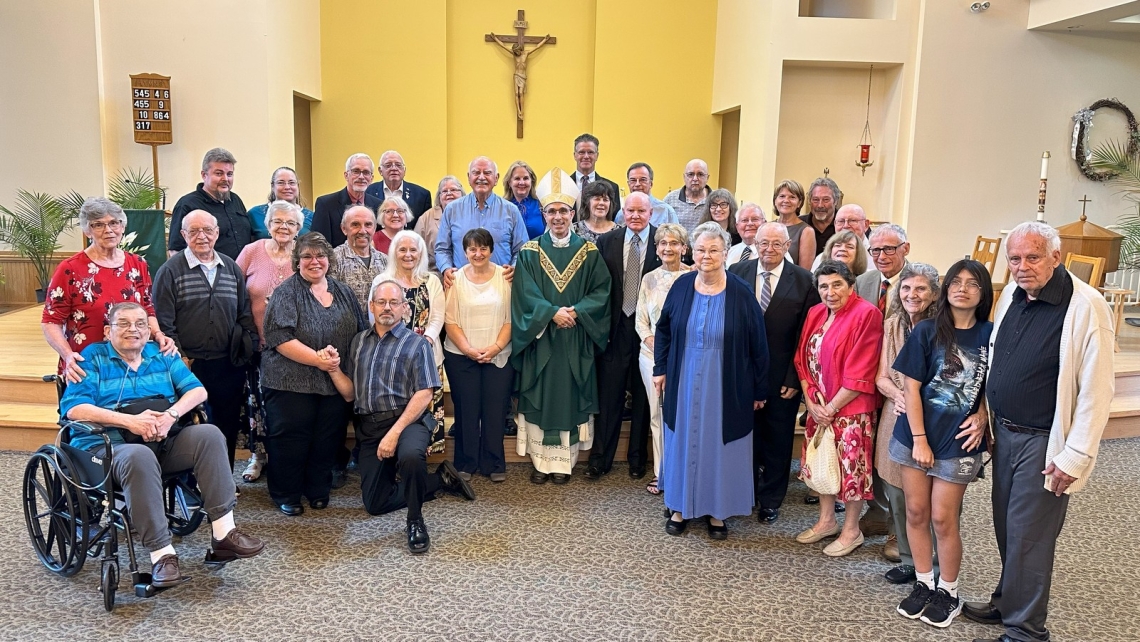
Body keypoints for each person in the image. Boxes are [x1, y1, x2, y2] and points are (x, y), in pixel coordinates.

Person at [963, 222, 1115, 642]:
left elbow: (1097, 390)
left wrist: (1075, 455)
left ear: (1056, 256)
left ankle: (1026, 629)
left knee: (1030, 535)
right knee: (1006, 526)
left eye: (1032, 257)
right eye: (1014, 258)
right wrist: (988, 414)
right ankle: (1008, 599)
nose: (1022, 267)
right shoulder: (1012, 293)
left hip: (1046, 439)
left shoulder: (1086, 306)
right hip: (1005, 434)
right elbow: (998, 356)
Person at [60, 302, 264, 587]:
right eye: (124, 324)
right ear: (108, 331)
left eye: (141, 324)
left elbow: (198, 390)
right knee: (138, 456)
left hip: (162, 440)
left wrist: (171, 415)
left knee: (210, 435)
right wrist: (129, 422)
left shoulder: (162, 354)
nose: (134, 330)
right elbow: (75, 409)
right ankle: (162, 554)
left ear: (149, 329)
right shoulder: (91, 358)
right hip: (107, 449)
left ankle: (223, 533)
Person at [332, 277, 475, 555]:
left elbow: (424, 394)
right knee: (374, 504)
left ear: (404, 308)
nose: (387, 307)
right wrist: (333, 369)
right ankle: (438, 480)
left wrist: (395, 434)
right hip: (371, 426)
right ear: (371, 306)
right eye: (381, 302)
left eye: (393, 303)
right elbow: (350, 394)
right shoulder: (358, 342)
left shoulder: (417, 344)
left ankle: (415, 520)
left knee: (410, 456)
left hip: (409, 421)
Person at [891, 259, 993, 628]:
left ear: (983, 293)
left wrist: (983, 414)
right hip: (915, 436)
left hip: (959, 442)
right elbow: (911, 387)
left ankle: (948, 591)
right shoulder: (927, 331)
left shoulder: (991, 335)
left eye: (972, 283)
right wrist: (919, 439)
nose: (962, 288)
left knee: (943, 517)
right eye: (956, 282)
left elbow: (994, 386)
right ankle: (923, 583)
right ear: (946, 289)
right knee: (916, 513)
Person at [652, 222, 768, 540]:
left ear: (725, 253)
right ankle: (679, 506)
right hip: (683, 377)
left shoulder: (742, 294)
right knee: (683, 439)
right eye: (701, 249)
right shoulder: (681, 286)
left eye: (714, 250)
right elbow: (663, 329)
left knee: (719, 444)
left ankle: (717, 511)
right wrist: (660, 368)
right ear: (693, 251)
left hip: (726, 382)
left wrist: (759, 388)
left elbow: (759, 344)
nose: (707, 255)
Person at [512, 169, 611, 484]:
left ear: (573, 213)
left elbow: (601, 291)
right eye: (551, 211)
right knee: (540, 395)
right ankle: (541, 464)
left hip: (573, 338)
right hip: (542, 340)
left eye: (563, 211)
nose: (557, 217)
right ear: (543, 213)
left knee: (568, 396)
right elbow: (524, 293)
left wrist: (577, 312)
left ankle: (563, 465)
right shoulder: (529, 252)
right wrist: (551, 313)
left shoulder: (589, 251)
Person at [260, 233, 366, 516]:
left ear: (329, 260)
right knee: (291, 439)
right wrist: (319, 361)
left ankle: (317, 488)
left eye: (320, 256)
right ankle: (287, 493)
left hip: (334, 379)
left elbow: (359, 329)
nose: (314, 261)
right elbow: (279, 337)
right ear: (297, 262)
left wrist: (335, 368)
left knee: (327, 438)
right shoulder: (287, 292)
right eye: (307, 256)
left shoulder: (343, 291)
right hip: (290, 380)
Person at [152, 211, 259, 473]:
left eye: (208, 230)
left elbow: (244, 314)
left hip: (227, 362)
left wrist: (248, 348)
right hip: (188, 364)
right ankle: (189, 483)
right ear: (183, 235)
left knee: (226, 424)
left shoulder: (231, 267)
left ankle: (223, 479)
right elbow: (164, 322)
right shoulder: (169, 271)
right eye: (194, 231)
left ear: (217, 233)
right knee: (188, 426)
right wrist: (180, 358)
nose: (202, 236)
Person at [728, 222, 819, 523]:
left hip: (783, 379)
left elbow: (808, 335)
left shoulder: (805, 281)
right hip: (742, 375)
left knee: (778, 441)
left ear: (788, 245)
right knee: (745, 438)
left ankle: (771, 499)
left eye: (776, 244)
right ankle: (746, 492)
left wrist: (795, 378)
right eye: (763, 243)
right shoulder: (737, 274)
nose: (769, 249)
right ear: (754, 243)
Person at [793, 259, 883, 557]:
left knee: (850, 470)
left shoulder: (866, 314)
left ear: (851, 286)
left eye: (837, 285)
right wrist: (811, 400)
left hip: (850, 409)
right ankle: (827, 520)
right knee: (824, 466)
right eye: (823, 286)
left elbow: (862, 370)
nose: (830, 292)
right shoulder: (816, 313)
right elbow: (802, 360)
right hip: (819, 406)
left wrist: (829, 408)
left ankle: (851, 530)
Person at [42, 197, 177, 383]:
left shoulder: (137, 264)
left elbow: (147, 309)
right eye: (98, 225)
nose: (108, 230)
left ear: (122, 227)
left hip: (133, 360)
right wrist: (67, 355)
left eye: (114, 223)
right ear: (87, 230)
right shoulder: (70, 269)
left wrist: (159, 335)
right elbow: (51, 321)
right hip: (87, 364)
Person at [874, 262, 940, 585]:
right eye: (906, 288)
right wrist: (897, 394)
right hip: (895, 412)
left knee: (934, 497)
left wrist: (915, 398)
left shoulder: (946, 326)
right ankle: (908, 559)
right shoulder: (892, 325)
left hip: (934, 418)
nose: (912, 295)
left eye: (920, 288)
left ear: (934, 293)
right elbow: (881, 377)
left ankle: (935, 565)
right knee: (897, 493)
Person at [588, 192, 660, 481]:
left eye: (641, 211)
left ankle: (637, 459)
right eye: (630, 210)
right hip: (615, 331)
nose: (636, 216)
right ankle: (600, 458)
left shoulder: (662, 241)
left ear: (651, 212)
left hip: (649, 334)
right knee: (610, 396)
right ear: (623, 213)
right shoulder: (607, 241)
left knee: (643, 398)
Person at [234, 199, 305, 482]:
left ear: (298, 228)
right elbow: (234, 290)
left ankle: (284, 459)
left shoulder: (303, 254)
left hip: (293, 348)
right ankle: (257, 457)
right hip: (257, 344)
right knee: (256, 403)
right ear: (268, 224)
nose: (283, 227)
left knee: (286, 408)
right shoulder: (251, 252)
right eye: (278, 221)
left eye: (290, 223)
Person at [855, 222, 912, 537]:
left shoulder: (920, 281)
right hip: (867, 377)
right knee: (871, 445)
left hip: (900, 379)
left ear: (906, 248)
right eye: (875, 250)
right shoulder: (865, 281)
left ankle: (899, 528)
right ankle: (877, 511)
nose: (881, 255)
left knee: (896, 452)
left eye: (889, 248)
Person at [443, 228, 513, 482]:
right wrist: (469, 350)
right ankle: (465, 462)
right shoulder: (455, 280)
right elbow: (450, 322)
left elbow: (510, 319)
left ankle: (494, 463)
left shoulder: (505, 277)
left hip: (499, 354)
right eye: (472, 248)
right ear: (465, 252)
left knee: (495, 411)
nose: (478, 253)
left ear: (491, 250)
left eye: (483, 248)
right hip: (462, 356)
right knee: (466, 411)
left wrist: (494, 348)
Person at [635, 223, 690, 495]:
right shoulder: (648, 279)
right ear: (657, 249)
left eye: (674, 243)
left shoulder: (694, 276)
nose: (668, 248)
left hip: (686, 358)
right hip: (652, 357)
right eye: (663, 244)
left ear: (684, 247)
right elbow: (640, 320)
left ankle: (684, 472)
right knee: (657, 415)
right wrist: (653, 342)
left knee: (683, 416)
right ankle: (662, 473)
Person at [380, 231, 446, 453]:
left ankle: (422, 457)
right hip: (393, 357)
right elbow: (377, 318)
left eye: (413, 250)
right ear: (394, 253)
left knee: (425, 405)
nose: (408, 255)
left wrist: (424, 341)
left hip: (427, 354)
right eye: (402, 249)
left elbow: (437, 317)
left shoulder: (432, 280)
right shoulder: (383, 280)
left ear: (421, 253)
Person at [436, 156, 527, 289]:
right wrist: (446, 269)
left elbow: (522, 249)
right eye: (476, 172)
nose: (481, 177)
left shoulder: (510, 211)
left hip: (502, 287)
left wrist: (515, 267)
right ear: (468, 177)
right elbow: (442, 249)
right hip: (462, 287)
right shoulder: (452, 210)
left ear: (496, 178)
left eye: (487, 173)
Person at [168, 148, 251, 259]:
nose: (225, 179)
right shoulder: (187, 205)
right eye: (218, 173)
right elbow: (175, 250)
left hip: (241, 273)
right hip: (207, 274)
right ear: (204, 175)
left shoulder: (235, 200)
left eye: (230, 174)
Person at [311, 153, 382, 248]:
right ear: (346, 175)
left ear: (371, 178)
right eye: (356, 171)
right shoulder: (326, 204)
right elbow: (318, 244)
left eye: (366, 172)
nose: (361, 177)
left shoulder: (378, 205)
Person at [330, 205, 389, 315]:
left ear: (375, 228)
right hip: (347, 329)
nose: (362, 231)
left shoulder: (386, 261)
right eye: (355, 225)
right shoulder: (332, 259)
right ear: (344, 229)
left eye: (368, 225)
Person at [415, 176, 465, 279]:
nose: (449, 193)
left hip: (465, 274)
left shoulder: (470, 212)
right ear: (439, 196)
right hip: (434, 275)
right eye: (444, 191)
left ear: (462, 194)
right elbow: (416, 246)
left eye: (454, 190)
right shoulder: (426, 217)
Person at [365, 150, 432, 226]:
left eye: (398, 165)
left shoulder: (422, 195)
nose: (394, 168)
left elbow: (426, 227)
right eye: (388, 165)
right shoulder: (368, 192)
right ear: (380, 171)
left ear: (404, 170)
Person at [247, 167, 314, 240]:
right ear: (272, 186)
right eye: (281, 183)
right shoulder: (254, 214)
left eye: (292, 183)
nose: (287, 187)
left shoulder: (312, 217)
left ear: (298, 185)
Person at [567, 133, 621, 219]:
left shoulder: (612, 187)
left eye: (590, 152)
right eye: (581, 152)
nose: (586, 156)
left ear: (597, 156)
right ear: (575, 155)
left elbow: (613, 219)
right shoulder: (564, 185)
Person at [811, 204, 872, 271]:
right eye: (841, 221)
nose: (846, 226)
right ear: (835, 224)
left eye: (852, 221)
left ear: (866, 225)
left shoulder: (876, 256)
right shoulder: (821, 259)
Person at [618, 162, 679, 227]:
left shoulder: (666, 211)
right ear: (628, 184)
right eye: (633, 180)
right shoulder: (621, 214)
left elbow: (677, 236)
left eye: (643, 180)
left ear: (651, 184)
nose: (637, 184)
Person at [772, 179, 816, 268]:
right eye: (782, 196)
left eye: (792, 197)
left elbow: (804, 272)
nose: (786, 200)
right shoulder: (767, 227)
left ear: (799, 203)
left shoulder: (806, 231)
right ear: (775, 201)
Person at [799, 177, 842, 258]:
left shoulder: (845, 224)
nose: (820, 205)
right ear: (809, 201)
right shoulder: (800, 224)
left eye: (826, 200)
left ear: (836, 201)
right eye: (815, 200)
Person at [665, 159, 712, 232]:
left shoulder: (716, 200)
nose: (695, 179)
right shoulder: (670, 199)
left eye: (700, 174)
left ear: (707, 178)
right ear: (684, 177)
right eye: (690, 174)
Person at [503, 160, 544, 241]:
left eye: (525, 178)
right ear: (509, 182)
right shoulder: (502, 207)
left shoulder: (541, 205)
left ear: (532, 181)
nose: (521, 182)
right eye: (517, 178)